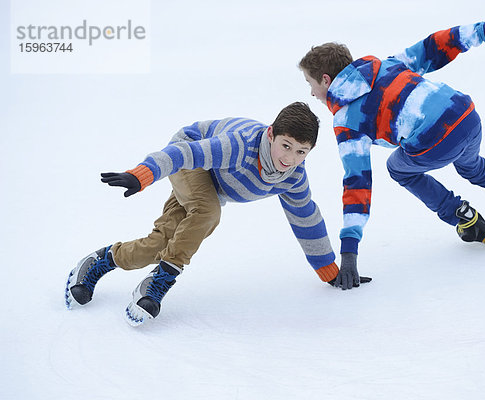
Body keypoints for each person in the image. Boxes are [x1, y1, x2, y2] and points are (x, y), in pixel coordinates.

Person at [298, 16, 485, 288]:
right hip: (466, 116)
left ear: (327, 80)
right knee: (472, 165)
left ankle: (461, 215)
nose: (312, 93)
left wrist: (349, 252)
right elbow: (435, 46)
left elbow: (357, 183)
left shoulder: (347, 120)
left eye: (311, 83)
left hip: (436, 140)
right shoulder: (387, 65)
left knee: (398, 168)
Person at [65, 102, 370, 326]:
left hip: (209, 183)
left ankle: (101, 261)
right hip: (190, 156)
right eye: (285, 146)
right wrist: (142, 174)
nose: (289, 158)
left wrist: (331, 272)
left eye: (301, 151)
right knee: (207, 212)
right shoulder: (241, 146)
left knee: (161, 243)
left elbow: (307, 221)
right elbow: (186, 155)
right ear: (271, 134)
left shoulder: (293, 178)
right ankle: (161, 280)